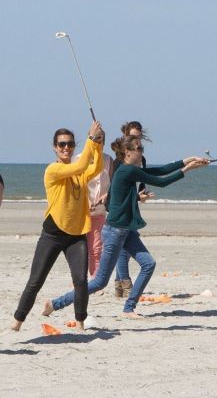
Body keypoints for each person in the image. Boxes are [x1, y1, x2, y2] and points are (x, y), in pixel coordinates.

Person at [44, 134, 208, 320]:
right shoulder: (126, 170)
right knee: (99, 282)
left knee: (148, 264)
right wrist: (189, 169)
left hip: (125, 230)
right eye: (139, 148)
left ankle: (129, 308)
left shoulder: (127, 167)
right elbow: (162, 181)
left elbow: (158, 171)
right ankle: (55, 303)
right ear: (128, 152)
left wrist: (186, 160)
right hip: (114, 232)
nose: (142, 152)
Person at [11, 121, 104, 331]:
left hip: (76, 234)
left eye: (70, 144)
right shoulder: (53, 170)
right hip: (52, 234)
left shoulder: (79, 173)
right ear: (55, 147)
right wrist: (90, 139)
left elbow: (95, 167)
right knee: (35, 281)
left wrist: (98, 144)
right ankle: (17, 323)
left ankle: (80, 323)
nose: (66, 148)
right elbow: (80, 165)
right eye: (61, 144)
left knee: (80, 281)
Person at [113, 121, 150, 298]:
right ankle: (125, 283)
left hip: (132, 205)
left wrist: (141, 192)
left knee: (125, 246)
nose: (137, 140)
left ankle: (118, 285)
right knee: (123, 246)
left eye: (139, 136)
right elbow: (116, 189)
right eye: (133, 136)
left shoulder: (141, 158)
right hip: (120, 208)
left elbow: (144, 178)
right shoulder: (120, 160)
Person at [76, 131, 113, 278]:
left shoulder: (108, 160)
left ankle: (95, 281)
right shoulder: (79, 159)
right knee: (81, 249)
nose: (99, 143)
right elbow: (76, 186)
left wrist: (106, 195)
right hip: (82, 212)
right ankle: (79, 280)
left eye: (101, 140)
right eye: (96, 139)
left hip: (99, 211)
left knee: (97, 249)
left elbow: (111, 184)